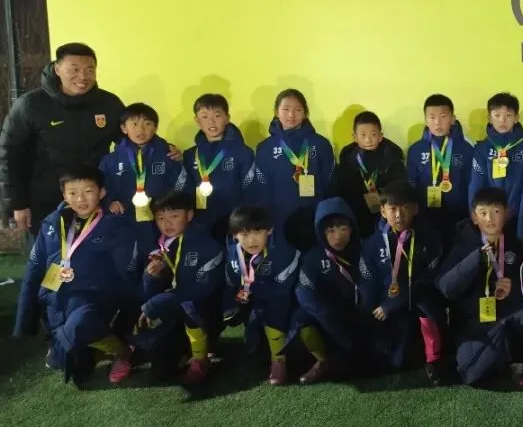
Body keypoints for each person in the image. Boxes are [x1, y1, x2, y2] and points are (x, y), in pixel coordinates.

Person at [12, 165, 138, 384]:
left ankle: (123, 352)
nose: (80, 199)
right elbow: (34, 269)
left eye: (88, 191)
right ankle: (89, 347)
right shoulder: (51, 224)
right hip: (55, 298)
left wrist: (127, 317)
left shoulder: (114, 225)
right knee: (77, 368)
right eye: (72, 192)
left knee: (78, 328)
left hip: (93, 297)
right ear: (64, 195)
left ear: (102, 193)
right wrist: (24, 321)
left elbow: (125, 274)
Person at [0, 43, 125, 237]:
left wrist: (164, 150)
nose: (82, 77)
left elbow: (130, 141)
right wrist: (17, 203)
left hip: (94, 199)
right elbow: (10, 156)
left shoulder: (109, 103)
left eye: (89, 70)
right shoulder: (30, 105)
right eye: (74, 69)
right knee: (48, 254)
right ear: (57, 69)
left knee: (96, 253)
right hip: (44, 203)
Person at [437, 188, 523, 387]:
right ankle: (498, 360)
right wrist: (477, 259)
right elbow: (446, 288)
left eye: (496, 212)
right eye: (483, 213)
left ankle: (512, 358)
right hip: (473, 321)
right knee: (473, 374)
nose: (490, 219)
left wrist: (512, 289)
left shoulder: (516, 245)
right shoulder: (462, 243)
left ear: (507, 214)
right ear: (474, 217)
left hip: (504, 318)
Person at [133, 191, 225, 384]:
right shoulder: (160, 247)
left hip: (206, 311)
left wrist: (154, 304)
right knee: (162, 369)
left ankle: (201, 357)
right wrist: (151, 276)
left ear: (189, 215)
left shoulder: (207, 245)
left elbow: (202, 290)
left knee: (190, 306)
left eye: (174, 216)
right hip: (175, 312)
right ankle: (183, 347)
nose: (167, 223)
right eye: (160, 218)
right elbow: (147, 293)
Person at [365, 186, 446, 385]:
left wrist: (394, 303)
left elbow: (429, 280)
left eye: (405, 208)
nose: (399, 215)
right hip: (388, 301)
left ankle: (433, 360)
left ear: (415, 209)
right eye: (392, 209)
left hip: (418, 297)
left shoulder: (431, 238)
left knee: (427, 306)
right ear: (382, 211)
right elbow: (368, 279)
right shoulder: (373, 242)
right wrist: (375, 305)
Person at [222, 205, 304, 385]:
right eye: (244, 234)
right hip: (255, 300)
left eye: (257, 232)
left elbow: (283, 289)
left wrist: (252, 292)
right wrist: (234, 302)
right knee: (252, 343)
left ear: (270, 230)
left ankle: (279, 360)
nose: (251, 240)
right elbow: (231, 280)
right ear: (235, 235)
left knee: (274, 313)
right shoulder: (233, 253)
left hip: (285, 303)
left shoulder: (282, 252)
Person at [294, 197, 372, 384]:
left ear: (352, 229)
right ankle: (322, 361)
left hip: (360, 312)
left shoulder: (365, 250)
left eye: (343, 229)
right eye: (331, 231)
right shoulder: (312, 257)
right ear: (321, 232)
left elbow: (370, 283)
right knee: (300, 320)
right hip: (328, 316)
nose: (338, 237)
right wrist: (330, 318)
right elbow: (305, 293)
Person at [251, 89, 335, 241]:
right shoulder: (265, 147)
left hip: (315, 217)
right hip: (278, 220)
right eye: (286, 109)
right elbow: (262, 189)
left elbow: (329, 183)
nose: (291, 115)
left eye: (298, 110)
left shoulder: (320, 144)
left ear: (305, 113)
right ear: (276, 112)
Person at [182, 94, 256, 243]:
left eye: (217, 115)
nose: (211, 121)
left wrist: (245, 222)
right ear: (197, 121)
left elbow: (252, 191)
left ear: (227, 118)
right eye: (204, 116)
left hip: (235, 224)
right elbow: (185, 193)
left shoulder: (243, 152)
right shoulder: (190, 155)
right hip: (201, 224)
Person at [468, 92, 523, 245]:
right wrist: (478, 221)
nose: (502, 120)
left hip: (518, 218)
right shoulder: (481, 149)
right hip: (489, 219)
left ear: (516, 117)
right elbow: (475, 187)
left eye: (508, 115)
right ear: (489, 118)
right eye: (497, 115)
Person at [99, 103, 186, 229]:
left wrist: (170, 208)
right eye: (134, 124)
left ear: (155, 128)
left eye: (147, 124)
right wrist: (109, 202)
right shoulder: (109, 160)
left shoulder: (169, 156)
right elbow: (100, 188)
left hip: (160, 221)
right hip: (121, 220)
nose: (140, 129)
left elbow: (181, 185)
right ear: (124, 128)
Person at [406, 94, 475, 249]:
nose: (437, 122)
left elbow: (472, 182)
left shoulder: (466, 148)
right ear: (425, 120)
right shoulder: (416, 150)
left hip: (459, 215)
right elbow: (411, 182)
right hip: (425, 215)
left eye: (443, 116)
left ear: (453, 119)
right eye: (432, 117)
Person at [333, 111, 408, 238]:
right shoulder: (347, 158)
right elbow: (341, 189)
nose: (368, 139)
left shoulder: (392, 157)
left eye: (373, 134)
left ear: (381, 136)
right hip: (355, 216)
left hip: (385, 216)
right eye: (363, 135)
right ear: (354, 137)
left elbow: (399, 190)